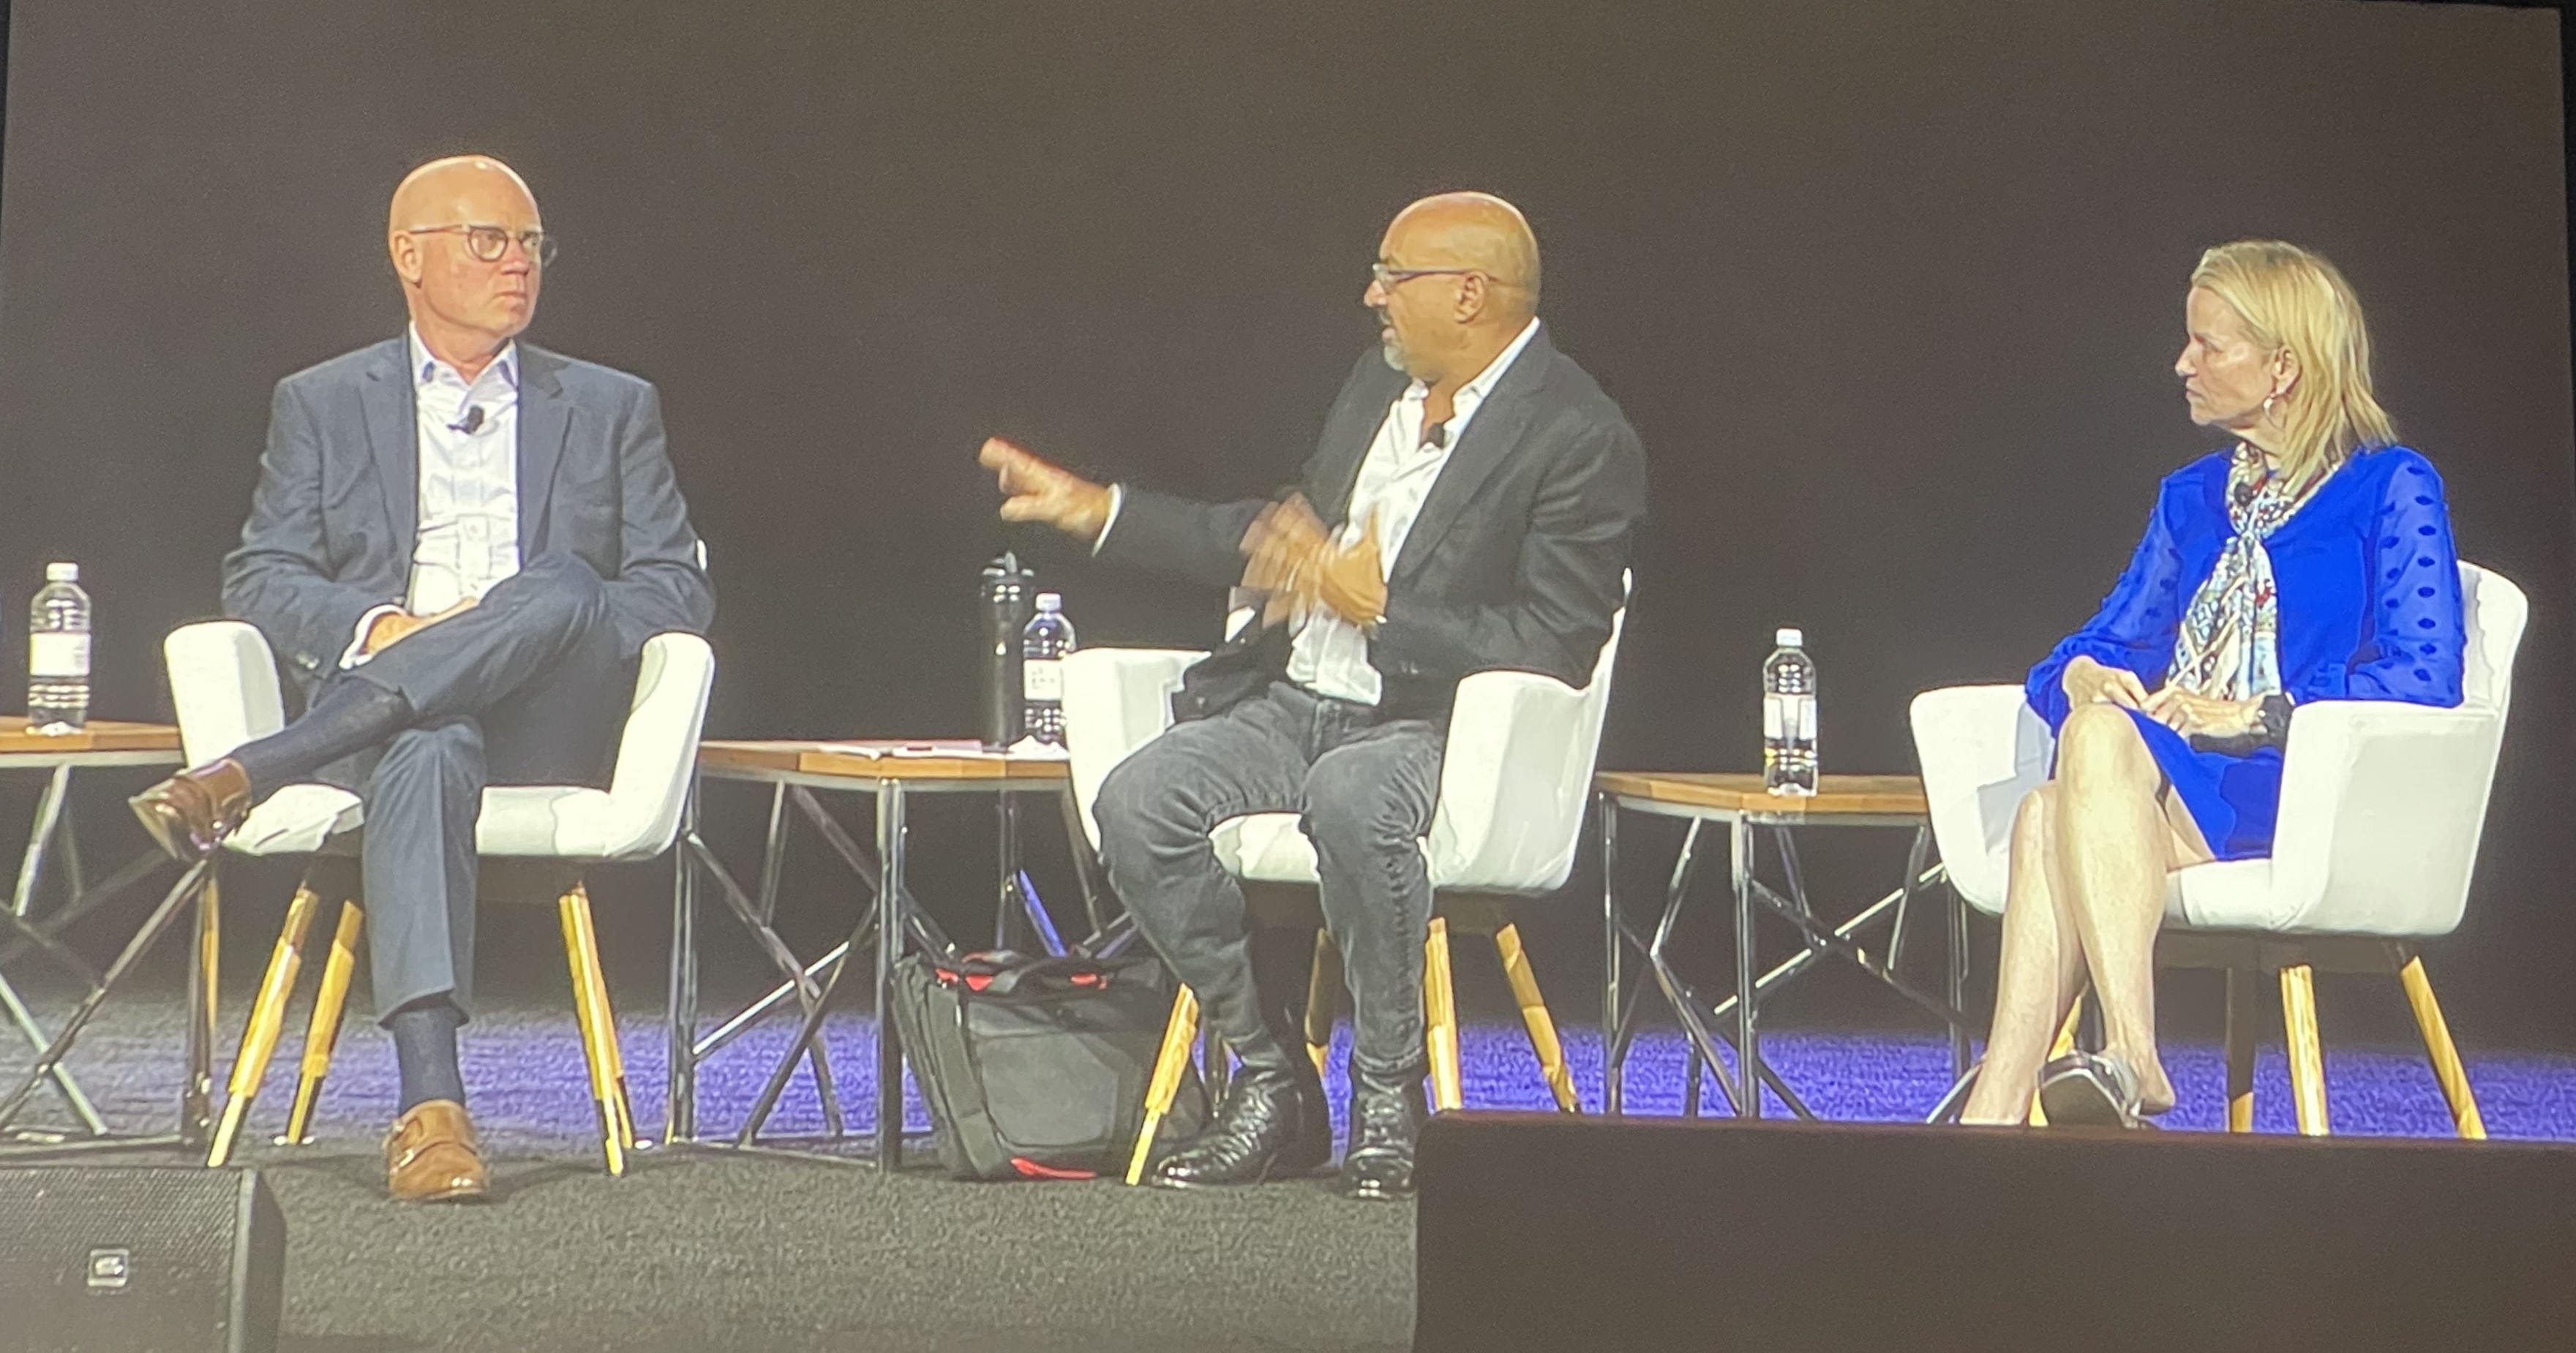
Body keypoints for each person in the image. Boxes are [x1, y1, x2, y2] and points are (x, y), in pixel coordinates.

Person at [979, 192, 1645, 1199]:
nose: (1369, 294)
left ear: (1469, 293)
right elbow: (1274, 533)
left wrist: (1379, 607)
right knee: (1139, 800)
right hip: (1298, 701)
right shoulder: (1373, 395)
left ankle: (1390, 1098)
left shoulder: (1578, 434)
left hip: (1437, 726)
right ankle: (1272, 1078)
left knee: (1352, 791)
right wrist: (1102, 511)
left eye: (1392, 274)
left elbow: (1558, 638)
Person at [129, 155, 713, 1200]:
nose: (518, 265)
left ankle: (252, 769)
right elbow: (261, 573)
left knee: (565, 582)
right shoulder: (321, 400)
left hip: (543, 713)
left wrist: (532, 625)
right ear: (410, 255)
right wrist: (384, 623)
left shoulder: (613, 404)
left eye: (531, 244)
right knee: (429, 736)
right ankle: (433, 1107)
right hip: (388, 725)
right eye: (489, 240)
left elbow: (673, 583)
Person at [1961, 240, 2463, 1127]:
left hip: (2307, 791)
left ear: (2282, 366)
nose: (2180, 364)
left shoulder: (2389, 485)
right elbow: (2088, 644)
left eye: (2207, 346)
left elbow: (2423, 678)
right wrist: (2079, 673)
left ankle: (2093, 1068)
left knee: (2076, 779)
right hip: (2172, 791)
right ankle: (2039, 1096)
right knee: (2065, 778)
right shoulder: (2189, 498)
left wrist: (2256, 713)